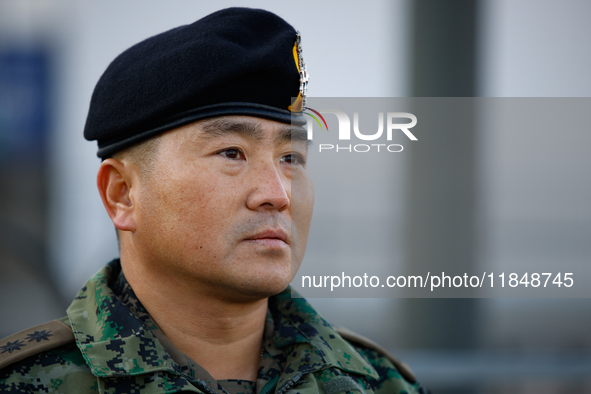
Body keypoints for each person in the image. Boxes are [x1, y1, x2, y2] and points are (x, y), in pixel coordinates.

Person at [0, 8, 428, 394]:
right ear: (122, 194)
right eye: (231, 153)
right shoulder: (29, 384)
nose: (277, 195)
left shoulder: (377, 384)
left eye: (291, 157)